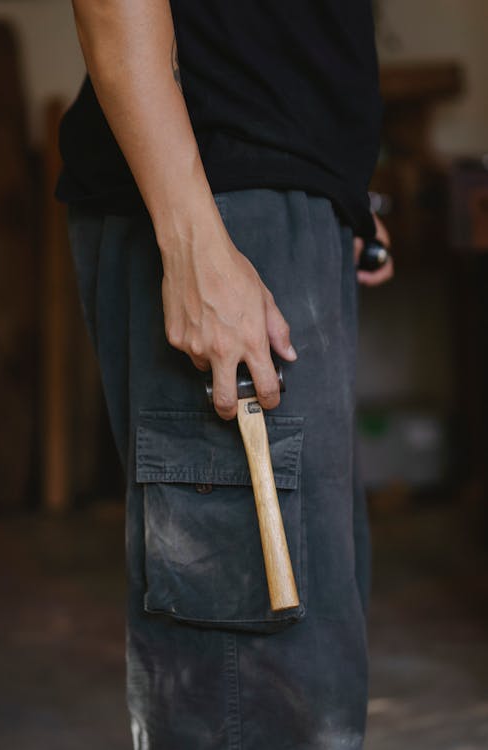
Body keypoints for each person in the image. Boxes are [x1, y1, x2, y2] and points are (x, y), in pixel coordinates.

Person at [57, 1, 393, 747]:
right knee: (255, 696)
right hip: (220, 211)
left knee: (311, 674)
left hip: (275, 205)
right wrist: (194, 242)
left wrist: (341, 194)